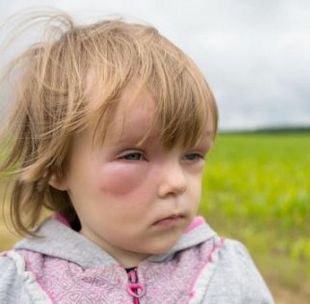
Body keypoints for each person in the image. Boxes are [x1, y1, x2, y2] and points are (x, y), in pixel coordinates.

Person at [0, 12, 274, 303]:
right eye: (133, 155)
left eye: (192, 155)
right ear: (56, 165)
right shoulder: (17, 284)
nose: (177, 183)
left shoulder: (229, 272)